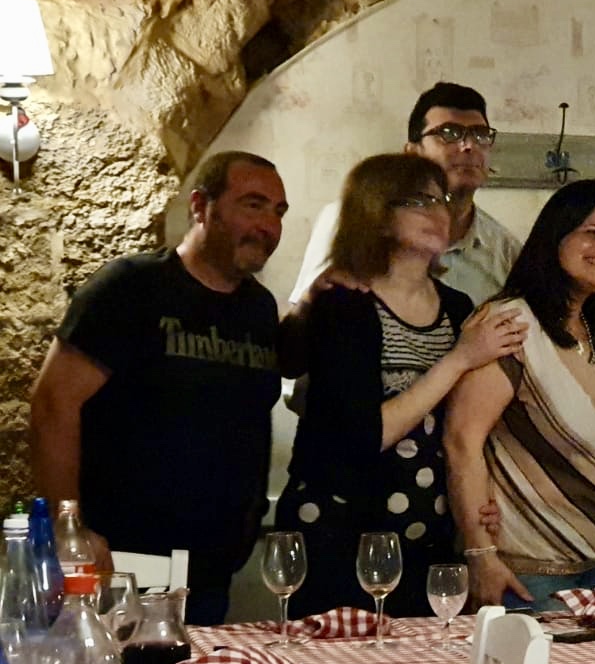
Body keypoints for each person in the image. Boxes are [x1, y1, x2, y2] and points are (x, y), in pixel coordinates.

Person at [28, 151, 287, 625]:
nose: (268, 226)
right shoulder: (131, 288)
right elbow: (53, 404)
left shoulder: (259, 309)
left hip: (212, 570)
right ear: (201, 206)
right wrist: (69, 527)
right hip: (122, 563)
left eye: (278, 212)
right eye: (253, 205)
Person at [275, 154, 525, 618]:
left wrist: (484, 504)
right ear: (377, 213)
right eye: (418, 201)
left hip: (428, 536)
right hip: (339, 534)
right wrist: (459, 359)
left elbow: (465, 429)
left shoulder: (457, 307)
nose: (439, 212)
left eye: (442, 200)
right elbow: (363, 437)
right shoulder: (345, 303)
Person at [446, 180, 595, 610]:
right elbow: (462, 439)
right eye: (592, 233)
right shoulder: (512, 323)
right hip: (528, 570)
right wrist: (480, 554)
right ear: (556, 235)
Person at [290, 82, 520, 307]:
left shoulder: (505, 249)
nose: (468, 146)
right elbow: (304, 315)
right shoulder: (355, 217)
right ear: (412, 151)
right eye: (449, 133)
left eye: (480, 135)